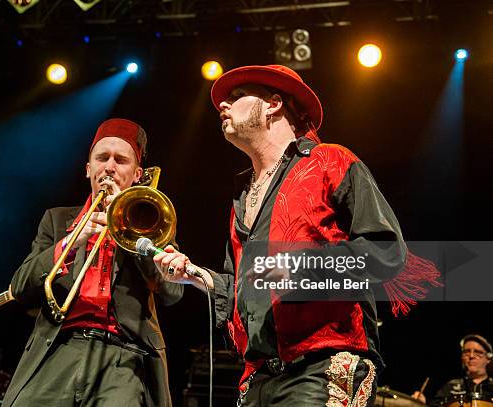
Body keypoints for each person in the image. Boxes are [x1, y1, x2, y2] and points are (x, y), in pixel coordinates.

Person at [152, 64, 439, 406]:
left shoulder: (331, 161)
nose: (223, 106)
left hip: (322, 364)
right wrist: (199, 277)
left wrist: (302, 267)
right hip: (258, 375)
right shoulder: (242, 197)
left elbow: (386, 253)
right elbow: (248, 285)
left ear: (273, 104)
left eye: (237, 97)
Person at [3, 118, 183, 407]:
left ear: (137, 174)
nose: (110, 167)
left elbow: (172, 292)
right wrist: (70, 243)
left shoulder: (150, 221)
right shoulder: (57, 219)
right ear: (89, 169)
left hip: (124, 359)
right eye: (102, 158)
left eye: (120, 160)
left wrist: (130, 230)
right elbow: (20, 286)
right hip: (58, 348)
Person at [412, 334, 493, 405]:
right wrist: (421, 404)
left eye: (477, 352)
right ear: (462, 357)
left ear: (488, 358)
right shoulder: (451, 386)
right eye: (467, 352)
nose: (471, 356)